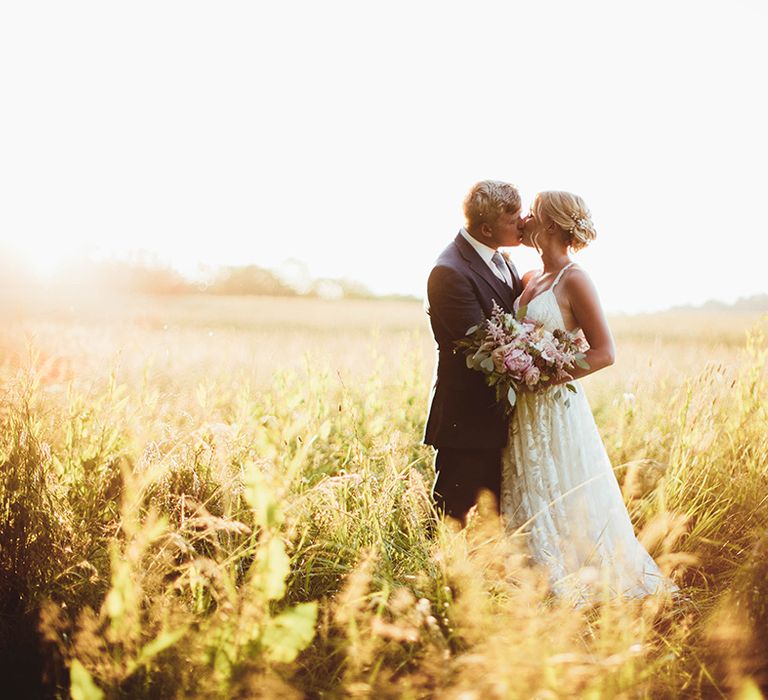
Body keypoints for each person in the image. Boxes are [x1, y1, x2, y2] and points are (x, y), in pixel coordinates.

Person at [501, 190, 678, 603]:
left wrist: (544, 377)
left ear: (550, 224)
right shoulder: (530, 278)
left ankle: (582, 576)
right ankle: (527, 574)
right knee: (529, 484)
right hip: (522, 409)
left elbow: (604, 352)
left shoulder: (574, 279)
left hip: (555, 404)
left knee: (566, 486)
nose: (524, 219)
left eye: (532, 213)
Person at [424, 180, 524, 527]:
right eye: (513, 220)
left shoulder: (503, 260)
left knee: (494, 525)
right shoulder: (449, 271)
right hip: (466, 421)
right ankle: (436, 580)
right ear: (485, 228)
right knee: (452, 519)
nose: (522, 223)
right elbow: (485, 346)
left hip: (500, 418)